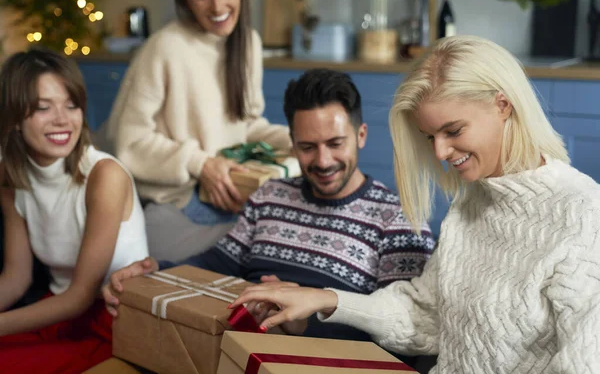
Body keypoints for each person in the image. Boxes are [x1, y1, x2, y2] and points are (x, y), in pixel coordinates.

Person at [230, 36, 600, 373]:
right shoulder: (469, 205)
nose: (439, 152)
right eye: (430, 136)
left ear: (502, 104)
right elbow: (422, 317)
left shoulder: (583, 216)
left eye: (453, 131)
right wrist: (325, 300)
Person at [102, 69, 435, 343]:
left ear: (361, 135)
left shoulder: (402, 218)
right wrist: (157, 272)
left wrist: (305, 325)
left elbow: (400, 333)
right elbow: (218, 262)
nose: (322, 160)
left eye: (335, 144)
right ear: (291, 144)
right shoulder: (269, 195)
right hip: (235, 346)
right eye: (307, 146)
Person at [104, 0, 291, 250]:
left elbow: (244, 126)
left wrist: (296, 139)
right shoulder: (165, 47)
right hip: (180, 198)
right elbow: (129, 144)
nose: (217, 7)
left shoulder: (248, 42)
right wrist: (200, 164)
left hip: (229, 187)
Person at [0, 49, 149, 373]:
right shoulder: (10, 178)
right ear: (14, 119)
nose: (62, 119)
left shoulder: (104, 175)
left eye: (72, 105)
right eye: (43, 108)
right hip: (52, 313)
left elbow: (81, 295)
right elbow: (15, 278)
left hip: (109, 323)